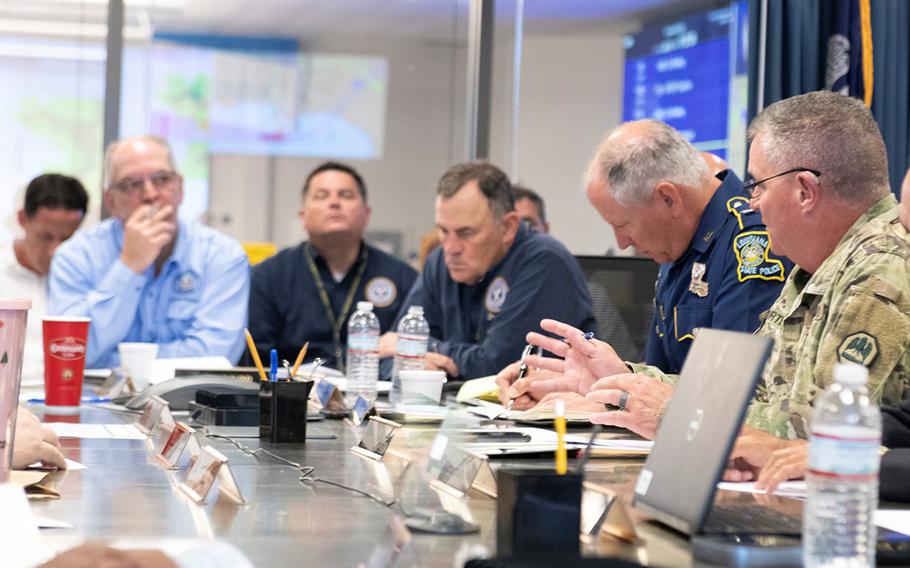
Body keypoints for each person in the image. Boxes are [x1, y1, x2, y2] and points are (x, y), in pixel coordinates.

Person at [502, 91, 910, 442]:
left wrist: (668, 409)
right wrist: (619, 378)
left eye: (759, 186)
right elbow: (747, 395)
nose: (751, 202)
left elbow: (829, 433)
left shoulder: (880, 270)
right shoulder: (818, 267)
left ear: (804, 191)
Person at [725, 166, 910, 500]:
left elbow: (811, 420)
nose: (904, 245)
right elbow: (905, 421)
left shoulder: (883, 260)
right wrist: (828, 447)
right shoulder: (811, 266)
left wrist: (843, 457)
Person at [48, 135, 250, 369]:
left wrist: (114, 363)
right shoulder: (74, 257)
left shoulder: (223, 257)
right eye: (132, 184)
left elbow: (214, 358)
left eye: (162, 179)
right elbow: (69, 354)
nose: (150, 194)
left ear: (180, 189)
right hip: (96, 402)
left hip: (189, 403)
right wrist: (129, 267)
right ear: (111, 201)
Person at [380, 162, 596, 379]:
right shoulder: (441, 262)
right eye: (443, 231)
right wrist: (417, 365)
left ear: (507, 227)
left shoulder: (544, 260)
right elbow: (386, 353)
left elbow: (500, 366)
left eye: (466, 232)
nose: (451, 248)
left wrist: (425, 348)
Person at [248, 162, 417, 370]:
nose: (334, 203)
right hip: (292, 396)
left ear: (366, 214)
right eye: (321, 196)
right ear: (303, 216)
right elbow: (256, 360)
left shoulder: (402, 278)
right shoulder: (269, 277)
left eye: (346, 195)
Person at [1, 174, 88, 383]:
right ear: (22, 219)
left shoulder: (86, 277)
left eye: (67, 239)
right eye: (45, 237)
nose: (55, 251)